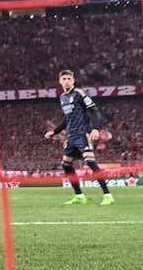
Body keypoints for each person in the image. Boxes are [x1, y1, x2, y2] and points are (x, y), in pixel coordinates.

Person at [43, 70, 113, 205]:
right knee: (66, 165)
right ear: (60, 81)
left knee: (91, 163)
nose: (67, 81)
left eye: (69, 78)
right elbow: (67, 119)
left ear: (73, 80)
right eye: (64, 78)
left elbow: (94, 110)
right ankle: (79, 196)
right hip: (71, 136)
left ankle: (107, 195)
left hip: (83, 134)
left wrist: (95, 128)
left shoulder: (79, 93)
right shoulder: (63, 97)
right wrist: (55, 132)